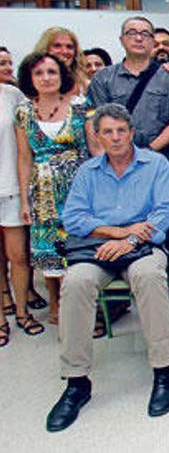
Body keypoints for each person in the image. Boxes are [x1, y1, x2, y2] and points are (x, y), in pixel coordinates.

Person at [46, 103, 169, 432]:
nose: (116, 137)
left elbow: (165, 213)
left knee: (149, 276)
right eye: (108, 132)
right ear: (98, 136)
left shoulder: (155, 164)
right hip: (98, 249)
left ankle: (164, 373)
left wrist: (130, 241)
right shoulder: (88, 172)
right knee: (75, 283)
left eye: (122, 130)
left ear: (132, 133)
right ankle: (77, 382)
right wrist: (117, 232)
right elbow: (73, 219)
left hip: (144, 247)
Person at [15, 53, 98, 328]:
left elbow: (95, 150)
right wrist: (26, 201)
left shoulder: (80, 107)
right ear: (30, 78)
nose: (46, 78)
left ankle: (86, 313)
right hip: (44, 193)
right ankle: (61, 309)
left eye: (52, 72)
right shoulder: (24, 112)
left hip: (79, 189)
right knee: (52, 255)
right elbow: (25, 157)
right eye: (39, 73)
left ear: (62, 76)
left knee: (80, 252)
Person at [87, 16, 169, 185]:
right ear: (121, 39)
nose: (139, 38)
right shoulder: (103, 78)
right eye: (132, 33)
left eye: (145, 34)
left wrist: (148, 151)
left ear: (152, 41)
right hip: (117, 163)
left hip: (161, 159)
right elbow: (97, 124)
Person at [0, 75, 31, 347]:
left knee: (18, 256)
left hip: (10, 184)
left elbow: (24, 142)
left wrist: (25, 196)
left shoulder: (12, 95)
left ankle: (22, 311)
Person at [33, 27, 89, 97]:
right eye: (57, 46)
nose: (64, 51)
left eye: (69, 47)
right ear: (45, 50)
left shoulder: (85, 86)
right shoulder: (32, 84)